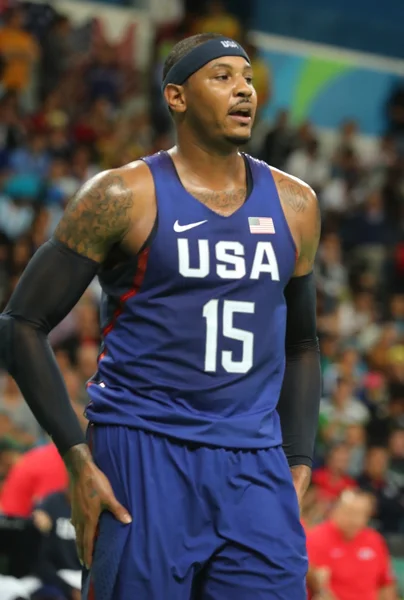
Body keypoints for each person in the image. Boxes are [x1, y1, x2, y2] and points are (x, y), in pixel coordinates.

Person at [0, 33, 321, 599]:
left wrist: (297, 461)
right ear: (176, 96)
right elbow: (21, 322)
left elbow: (301, 344)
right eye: (221, 76)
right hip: (143, 452)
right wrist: (78, 458)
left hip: (255, 464)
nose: (243, 88)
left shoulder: (296, 205)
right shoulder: (121, 195)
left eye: (246, 77)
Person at [306, 490, 397, 600]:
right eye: (350, 512)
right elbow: (317, 584)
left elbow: (386, 582)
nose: (354, 519)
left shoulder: (375, 540)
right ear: (336, 510)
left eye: (360, 514)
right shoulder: (317, 538)